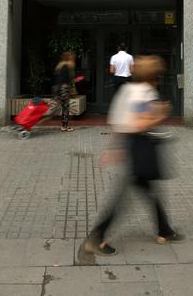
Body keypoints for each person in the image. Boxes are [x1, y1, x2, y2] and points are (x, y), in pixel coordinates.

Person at [83, 55, 183, 256]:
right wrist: (162, 113)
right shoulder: (146, 93)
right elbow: (140, 123)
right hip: (141, 146)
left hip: (131, 144)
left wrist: (115, 147)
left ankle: (165, 230)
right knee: (125, 195)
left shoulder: (127, 90)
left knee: (147, 188)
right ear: (155, 76)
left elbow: (118, 120)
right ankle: (97, 236)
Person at [53, 51, 76, 132]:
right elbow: (65, 79)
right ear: (68, 58)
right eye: (71, 56)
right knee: (65, 108)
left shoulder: (60, 66)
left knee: (64, 108)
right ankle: (64, 126)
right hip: (64, 89)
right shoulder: (66, 66)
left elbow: (57, 79)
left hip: (61, 89)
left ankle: (64, 125)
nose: (73, 58)